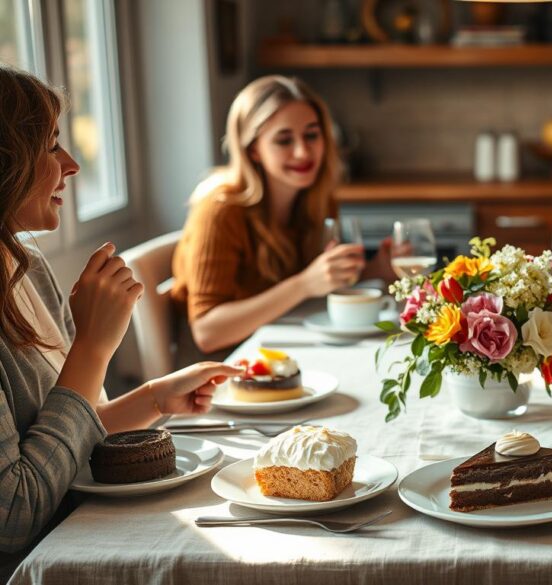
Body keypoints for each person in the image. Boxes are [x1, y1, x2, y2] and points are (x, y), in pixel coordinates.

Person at [0, 65, 242, 575]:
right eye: (49, 147)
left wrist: (155, 398)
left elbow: (68, 441)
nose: (71, 164)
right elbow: (15, 517)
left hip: (79, 532)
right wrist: (92, 347)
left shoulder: (26, 265)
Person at [171, 75, 394, 355]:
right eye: (284, 140)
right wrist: (304, 284)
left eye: (312, 135)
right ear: (253, 149)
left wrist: (374, 270)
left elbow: (315, 289)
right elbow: (207, 332)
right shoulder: (220, 210)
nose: (303, 152)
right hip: (224, 366)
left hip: (283, 346)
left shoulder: (316, 199)